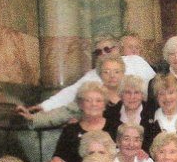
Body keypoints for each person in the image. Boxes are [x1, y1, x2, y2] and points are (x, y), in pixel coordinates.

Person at [16, 37, 155, 120]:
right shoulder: (93, 74)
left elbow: (155, 87)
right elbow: (70, 93)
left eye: (107, 49)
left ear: (117, 49)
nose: (103, 53)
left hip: (142, 115)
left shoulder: (135, 61)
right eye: (98, 52)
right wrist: (43, 106)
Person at [42, 81, 115, 162]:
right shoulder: (70, 130)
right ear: (81, 104)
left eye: (98, 100)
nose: (93, 104)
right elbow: (59, 156)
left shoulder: (115, 127)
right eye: (88, 100)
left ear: (105, 105)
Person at [142, 73, 177, 151]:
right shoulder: (149, 121)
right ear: (156, 97)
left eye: (171, 92)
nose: (167, 98)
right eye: (161, 94)